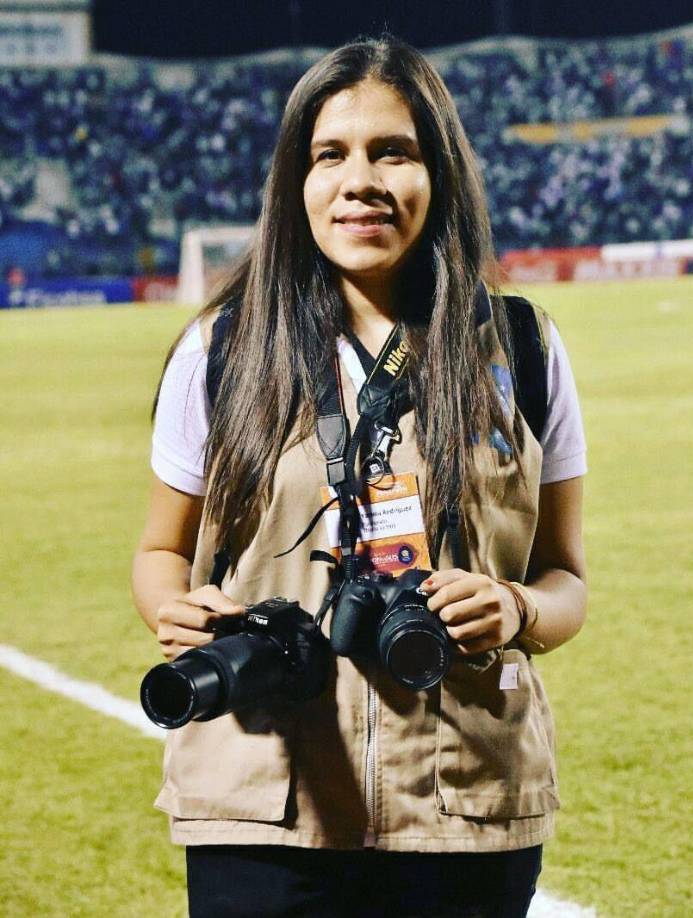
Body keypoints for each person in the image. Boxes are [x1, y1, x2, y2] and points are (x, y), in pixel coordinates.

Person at [132, 37, 587, 918]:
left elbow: (566, 579)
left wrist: (520, 609)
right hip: (263, 804)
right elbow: (160, 551)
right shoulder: (221, 348)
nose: (360, 181)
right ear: (295, 183)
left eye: (394, 152)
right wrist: (173, 609)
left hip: (465, 808)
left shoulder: (522, 349)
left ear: (439, 172)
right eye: (329, 154)